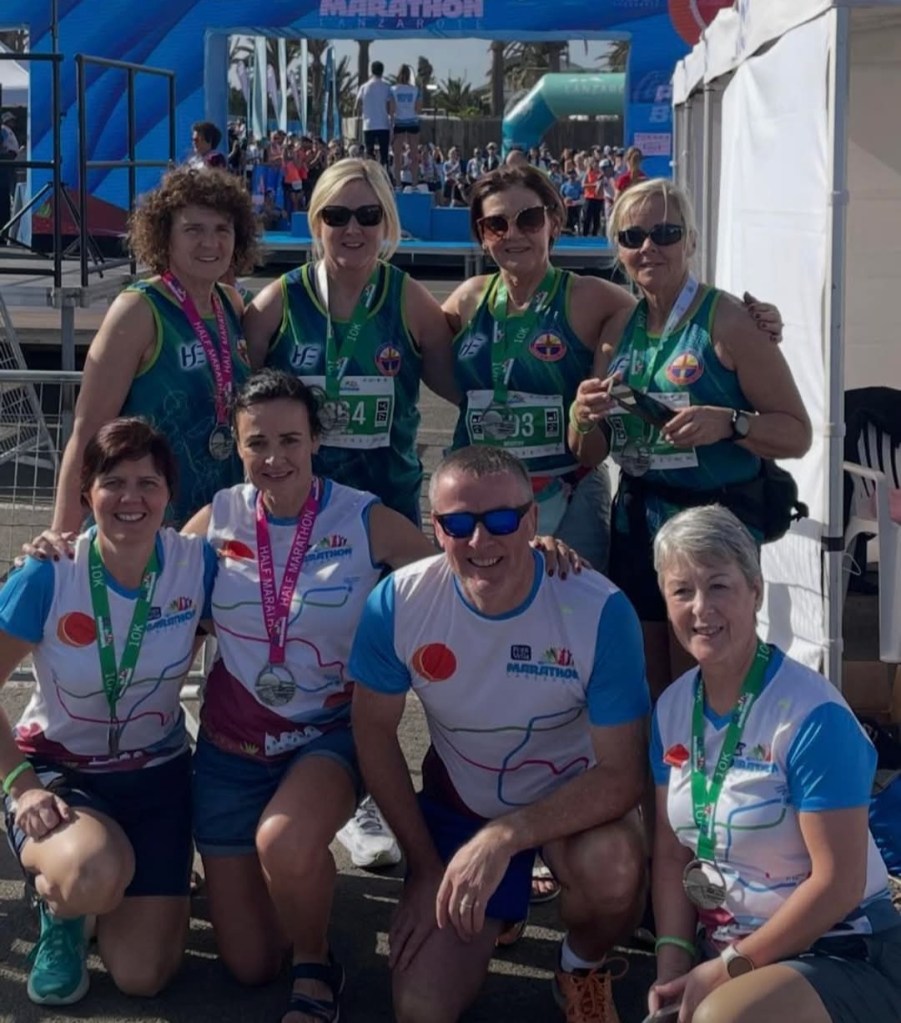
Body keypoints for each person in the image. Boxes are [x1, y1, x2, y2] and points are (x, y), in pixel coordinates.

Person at [348, 445, 650, 1023]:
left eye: (502, 520)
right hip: (463, 807)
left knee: (613, 870)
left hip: (571, 810)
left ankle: (580, 966)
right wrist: (424, 866)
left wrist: (505, 837)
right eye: (459, 523)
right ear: (435, 526)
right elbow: (373, 733)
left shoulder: (598, 609)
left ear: (533, 520)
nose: (480, 540)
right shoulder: (399, 601)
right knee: (422, 1010)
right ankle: (501, 904)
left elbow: (622, 776)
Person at [180, 370, 435, 1023]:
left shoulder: (362, 516)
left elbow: (451, 575)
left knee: (285, 843)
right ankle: (292, 899)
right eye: (257, 443)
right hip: (232, 748)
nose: (274, 458)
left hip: (325, 735)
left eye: (290, 440)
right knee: (249, 964)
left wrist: (531, 552)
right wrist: (62, 554)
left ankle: (316, 962)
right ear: (238, 446)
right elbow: (142, 579)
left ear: (316, 439)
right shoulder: (218, 517)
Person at [648, 504, 901, 1023]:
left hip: (841, 947)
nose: (701, 608)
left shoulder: (812, 713)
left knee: (721, 1017)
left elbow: (839, 884)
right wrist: (672, 965)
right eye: (682, 591)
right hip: (734, 951)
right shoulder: (671, 708)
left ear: (756, 591)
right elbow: (672, 856)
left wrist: (725, 969)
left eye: (718, 586)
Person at [0, 418, 216, 1006]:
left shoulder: (197, 564)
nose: (130, 498)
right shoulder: (49, 572)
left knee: (143, 976)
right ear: (86, 492)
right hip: (61, 772)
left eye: (148, 483)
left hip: (157, 774)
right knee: (91, 872)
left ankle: (102, 883)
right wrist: (21, 785)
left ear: (169, 494)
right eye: (113, 482)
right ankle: (64, 910)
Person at [569, 177, 807, 697]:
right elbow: (589, 451)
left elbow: (797, 433)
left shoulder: (730, 320)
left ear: (691, 241)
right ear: (618, 249)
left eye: (666, 233)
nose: (648, 247)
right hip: (639, 514)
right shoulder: (618, 328)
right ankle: (665, 756)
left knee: (706, 675)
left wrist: (732, 423)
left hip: (714, 513)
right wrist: (582, 417)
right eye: (632, 237)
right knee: (647, 681)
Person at [441, 164, 635, 572]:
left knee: (573, 606)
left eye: (528, 219)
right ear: (482, 236)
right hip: (483, 500)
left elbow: (665, 326)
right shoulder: (468, 299)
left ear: (554, 222)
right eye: (496, 224)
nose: (513, 234)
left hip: (568, 492)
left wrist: (751, 320)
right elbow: (402, 342)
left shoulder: (589, 297)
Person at [244, 157, 457, 527]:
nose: (353, 229)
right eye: (337, 216)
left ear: (386, 221)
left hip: (387, 509)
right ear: (317, 222)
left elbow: (465, 388)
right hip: (297, 511)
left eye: (369, 215)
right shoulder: (279, 302)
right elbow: (236, 401)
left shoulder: (410, 300)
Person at [50, 166, 258, 534]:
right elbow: (87, 430)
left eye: (222, 229)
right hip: (141, 528)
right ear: (166, 237)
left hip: (215, 528)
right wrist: (62, 535)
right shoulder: (139, 310)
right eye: (193, 230)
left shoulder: (230, 304)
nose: (210, 243)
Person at [356, 61, 394, 171]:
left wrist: (363, 112)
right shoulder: (387, 87)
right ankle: (383, 172)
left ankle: (370, 173)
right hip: (383, 124)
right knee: (384, 153)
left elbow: (357, 104)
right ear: (382, 71)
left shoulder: (364, 87)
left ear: (371, 71)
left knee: (369, 152)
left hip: (368, 125)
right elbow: (390, 106)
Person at [391, 65, 421, 187]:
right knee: (414, 154)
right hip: (413, 122)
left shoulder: (393, 89)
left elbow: (391, 109)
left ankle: (398, 183)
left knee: (397, 155)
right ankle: (414, 183)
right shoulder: (416, 90)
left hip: (399, 122)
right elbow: (418, 108)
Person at [0, 110, 20, 241]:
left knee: (6, 196)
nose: (13, 122)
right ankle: (4, 232)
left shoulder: (7, 131)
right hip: (5, 162)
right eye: (11, 120)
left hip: (8, 162)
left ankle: (4, 232)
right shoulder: (3, 130)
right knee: (4, 197)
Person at [581, 156, 604, 237]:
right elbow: (583, 185)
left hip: (599, 198)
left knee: (596, 218)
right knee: (587, 217)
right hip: (589, 198)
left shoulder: (601, 174)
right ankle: (585, 234)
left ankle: (595, 234)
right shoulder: (588, 174)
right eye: (595, 164)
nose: (596, 165)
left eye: (597, 164)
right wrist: (593, 185)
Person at [560, 167, 584, 234]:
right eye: (570, 174)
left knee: (574, 214)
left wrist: (574, 202)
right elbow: (561, 196)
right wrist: (565, 200)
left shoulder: (579, 185)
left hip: (576, 204)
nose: (571, 175)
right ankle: (567, 228)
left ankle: (574, 228)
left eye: (573, 174)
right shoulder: (564, 185)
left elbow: (582, 197)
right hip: (566, 204)